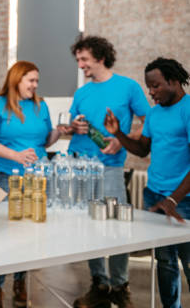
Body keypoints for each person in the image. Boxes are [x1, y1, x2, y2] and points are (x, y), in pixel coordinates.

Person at [63, 36, 150, 308]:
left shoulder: (128, 87)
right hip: (80, 166)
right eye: (78, 60)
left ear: (100, 58)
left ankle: (119, 285)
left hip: (111, 167)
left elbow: (148, 125)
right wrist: (72, 127)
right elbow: (70, 125)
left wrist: (121, 138)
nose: (80, 65)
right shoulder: (82, 93)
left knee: (117, 226)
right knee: (90, 226)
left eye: (84, 59)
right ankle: (99, 283)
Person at [104, 57, 190, 308]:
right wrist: (118, 132)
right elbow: (142, 150)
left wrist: (174, 198)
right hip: (155, 196)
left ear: (173, 81)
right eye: (148, 87)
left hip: (182, 200)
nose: (151, 93)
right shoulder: (154, 114)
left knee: (188, 262)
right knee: (164, 262)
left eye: (156, 86)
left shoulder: (188, 109)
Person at [0, 60, 61, 308]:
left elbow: (46, 140)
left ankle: (20, 282)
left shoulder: (40, 105)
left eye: (37, 81)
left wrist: (61, 130)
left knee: (27, 234)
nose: (35, 86)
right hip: (4, 177)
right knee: (2, 237)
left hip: (36, 178)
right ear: (16, 79)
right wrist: (15, 156)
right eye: (31, 80)